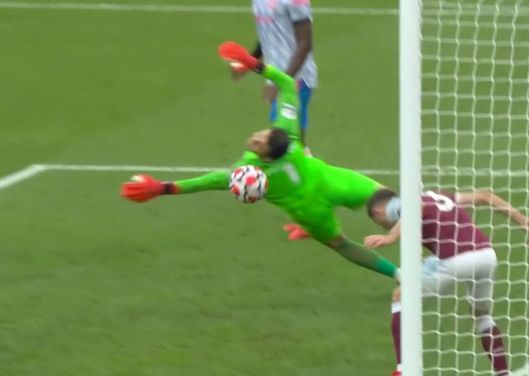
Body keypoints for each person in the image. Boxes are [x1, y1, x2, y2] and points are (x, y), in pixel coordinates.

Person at [122, 42, 399, 283]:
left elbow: (209, 182)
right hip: (331, 183)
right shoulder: (287, 133)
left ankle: (403, 273)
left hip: (308, 211)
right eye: (260, 135)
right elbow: (288, 85)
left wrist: (162, 188)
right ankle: (411, 260)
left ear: (266, 155)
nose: (255, 137)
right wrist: (255, 64)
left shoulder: (250, 173)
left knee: (342, 245)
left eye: (258, 141)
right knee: (391, 204)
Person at [364, 189, 529, 376]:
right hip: (486, 255)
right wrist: (521, 219)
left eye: (380, 222)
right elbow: (485, 196)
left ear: (378, 213)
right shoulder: (438, 195)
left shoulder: (397, 206)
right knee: (482, 316)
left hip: (455, 261)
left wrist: (389, 237)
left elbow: (414, 208)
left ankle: (402, 370)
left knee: (399, 296)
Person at [233, 0, 317, 144]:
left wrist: (281, 82)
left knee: (288, 142)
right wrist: (247, 62)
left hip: (296, 80)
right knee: (287, 143)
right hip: (277, 78)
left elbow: (305, 44)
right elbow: (267, 33)